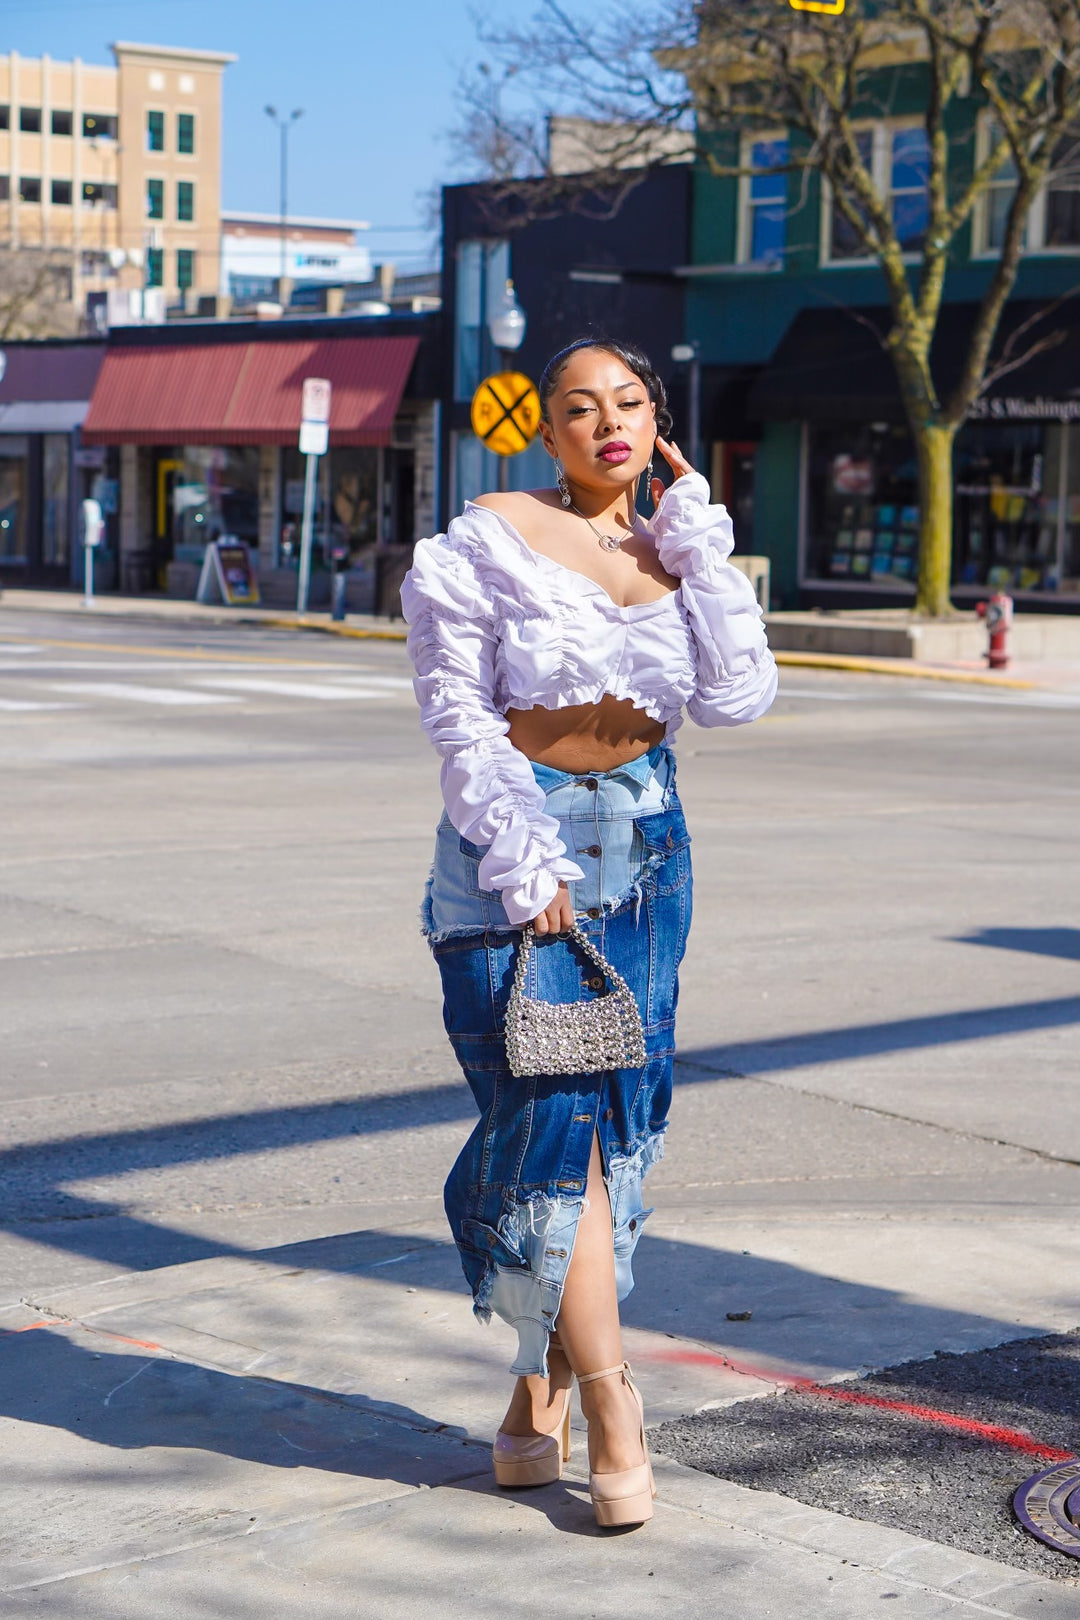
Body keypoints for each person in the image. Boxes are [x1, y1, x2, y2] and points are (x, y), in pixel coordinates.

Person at [401, 337, 777, 1528]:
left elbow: (736, 697)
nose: (608, 422)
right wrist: (523, 858)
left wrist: (701, 548)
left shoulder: (676, 549)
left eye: (628, 402)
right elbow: (459, 719)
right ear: (546, 432)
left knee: (617, 1130)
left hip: (650, 844)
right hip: (521, 847)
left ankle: (531, 1398)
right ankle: (612, 1403)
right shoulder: (486, 543)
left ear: (656, 420)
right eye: (580, 407)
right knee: (551, 1123)